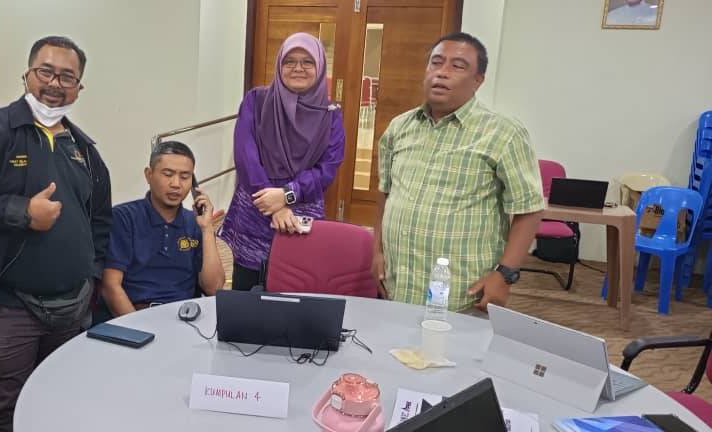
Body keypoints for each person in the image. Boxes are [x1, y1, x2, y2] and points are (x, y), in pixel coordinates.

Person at [0, 35, 111, 432]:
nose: (54, 84)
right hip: (5, 308)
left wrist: (92, 275)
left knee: (59, 400)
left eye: (67, 77)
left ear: (79, 88)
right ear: (27, 74)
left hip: (71, 307)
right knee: (4, 412)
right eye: (45, 71)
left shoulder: (84, 149)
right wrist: (22, 212)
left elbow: (100, 220)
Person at [372, 32, 544, 314]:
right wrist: (377, 251)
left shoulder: (503, 133)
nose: (442, 72)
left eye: (458, 66)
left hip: (462, 294)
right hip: (398, 284)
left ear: (478, 80)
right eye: (436, 62)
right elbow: (386, 193)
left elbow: (529, 209)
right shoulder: (399, 127)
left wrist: (505, 274)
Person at [219, 32, 344, 291]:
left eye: (307, 61)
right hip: (256, 204)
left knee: (297, 284)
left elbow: (327, 168)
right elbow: (245, 155)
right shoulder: (256, 101)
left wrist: (287, 195)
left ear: (320, 67)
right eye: (289, 61)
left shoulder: (330, 115)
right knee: (247, 290)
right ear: (279, 65)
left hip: (302, 210)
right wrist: (272, 205)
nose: (298, 68)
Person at [99, 141, 226, 320]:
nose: (176, 184)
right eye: (168, 174)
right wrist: (136, 329)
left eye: (185, 177)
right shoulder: (124, 217)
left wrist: (206, 229)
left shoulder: (195, 223)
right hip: (135, 316)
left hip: (185, 317)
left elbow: (214, 289)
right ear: (149, 175)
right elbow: (110, 286)